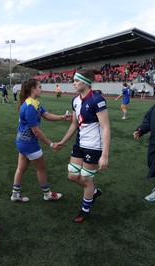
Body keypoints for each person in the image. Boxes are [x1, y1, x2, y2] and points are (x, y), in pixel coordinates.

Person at [56, 69, 111, 223]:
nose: (73, 83)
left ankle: (85, 210)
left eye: (76, 81)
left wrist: (104, 154)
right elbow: (74, 124)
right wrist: (63, 141)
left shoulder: (97, 99)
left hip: (94, 146)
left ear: (85, 82)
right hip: (80, 143)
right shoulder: (75, 100)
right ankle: (93, 192)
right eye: (73, 80)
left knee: (86, 179)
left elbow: (106, 127)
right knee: (72, 176)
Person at [10, 78, 71, 203]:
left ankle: (15, 194)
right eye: (40, 87)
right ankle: (47, 194)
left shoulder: (34, 103)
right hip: (29, 143)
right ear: (33, 89)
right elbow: (36, 132)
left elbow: (47, 115)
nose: (41, 89)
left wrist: (63, 117)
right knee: (41, 169)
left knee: (21, 168)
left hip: (22, 142)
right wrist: (51, 144)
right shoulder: (30, 106)